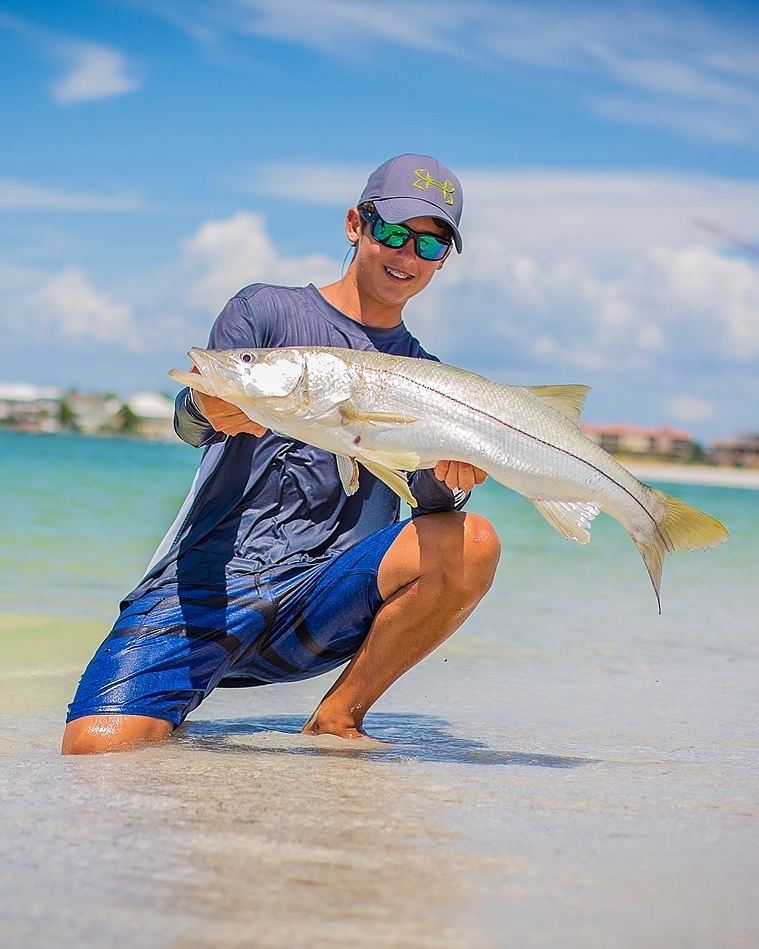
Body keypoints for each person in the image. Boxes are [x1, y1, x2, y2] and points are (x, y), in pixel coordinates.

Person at [62, 153, 501, 755]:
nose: (406, 257)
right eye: (394, 234)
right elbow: (194, 423)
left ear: (442, 261)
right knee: (95, 751)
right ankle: (176, 703)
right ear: (356, 225)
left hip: (323, 602)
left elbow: (430, 506)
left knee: (471, 538)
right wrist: (202, 407)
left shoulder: (427, 377)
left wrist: (454, 481)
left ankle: (339, 716)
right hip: (206, 586)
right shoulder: (263, 311)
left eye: (428, 247)